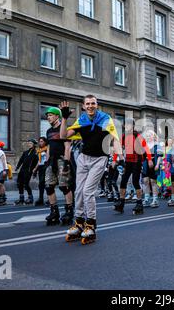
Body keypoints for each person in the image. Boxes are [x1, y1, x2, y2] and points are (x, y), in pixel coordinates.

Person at [60, 96, 120, 244]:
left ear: (97, 105)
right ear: (84, 106)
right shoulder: (81, 120)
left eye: (93, 103)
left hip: (99, 159)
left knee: (88, 191)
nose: (90, 106)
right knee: (78, 191)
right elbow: (63, 136)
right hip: (83, 158)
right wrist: (64, 118)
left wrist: (120, 158)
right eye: (88, 104)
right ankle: (79, 223)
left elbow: (114, 139)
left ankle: (91, 225)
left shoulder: (105, 119)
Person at [113, 118, 152, 215]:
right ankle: (121, 203)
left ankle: (139, 203)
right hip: (128, 162)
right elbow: (118, 148)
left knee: (135, 181)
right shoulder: (124, 136)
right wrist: (114, 160)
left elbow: (146, 148)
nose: (127, 127)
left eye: (129, 125)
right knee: (123, 181)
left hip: (137, 161)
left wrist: (150, 159)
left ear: (133, 126)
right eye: (126, 125)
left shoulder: (138, 136)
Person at [43, 106, 74, 225]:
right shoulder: (49, 131)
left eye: (50, 115)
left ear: (57, 116)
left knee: (64, 186)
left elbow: (67, 147)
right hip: (51, 160)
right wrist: (47, 161)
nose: (48, 118)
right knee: (49, 186)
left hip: (62, 159)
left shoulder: (64, 128)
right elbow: (49, 147)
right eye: (47, 116)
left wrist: (66, 163)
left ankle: (69, 211)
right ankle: (54, 212)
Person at [15, 139, 39, 205]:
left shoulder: (35, 153)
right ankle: (21, 198)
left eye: (30, 143)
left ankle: (30, 198)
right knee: (19, 183)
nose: (29, 144)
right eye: (28, 143)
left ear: (34, 144)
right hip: (22, 169)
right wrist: (17, 167)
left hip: (29, 170)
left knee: (26, 184)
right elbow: (21, 160)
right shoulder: (25, 152)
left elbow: (37, 163)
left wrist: (35, 172)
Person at [142, 130, 162, 209]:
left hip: (154, 163)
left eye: (150, 135)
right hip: (145, 164)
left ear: (154, 136)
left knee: (153, 181)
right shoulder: (144, 145)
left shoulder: (157, 145)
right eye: (147, 135)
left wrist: (157, 164)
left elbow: (160, 156)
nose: (148, 136)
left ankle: (155, 199)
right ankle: (147, 198)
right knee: (145, 181)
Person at [32, 137, 48, 206]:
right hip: (41, 167)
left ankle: (50, 199)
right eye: (39, 141)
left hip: (46, 167)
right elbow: (39, 161)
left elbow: (47, 159)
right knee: (41, 184)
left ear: (45, 142)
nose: (40, 143)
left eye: (41, 141)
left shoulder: (47, 149)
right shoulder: (39, 150)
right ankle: (41, 199)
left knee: (46, 183)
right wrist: (35, 169)